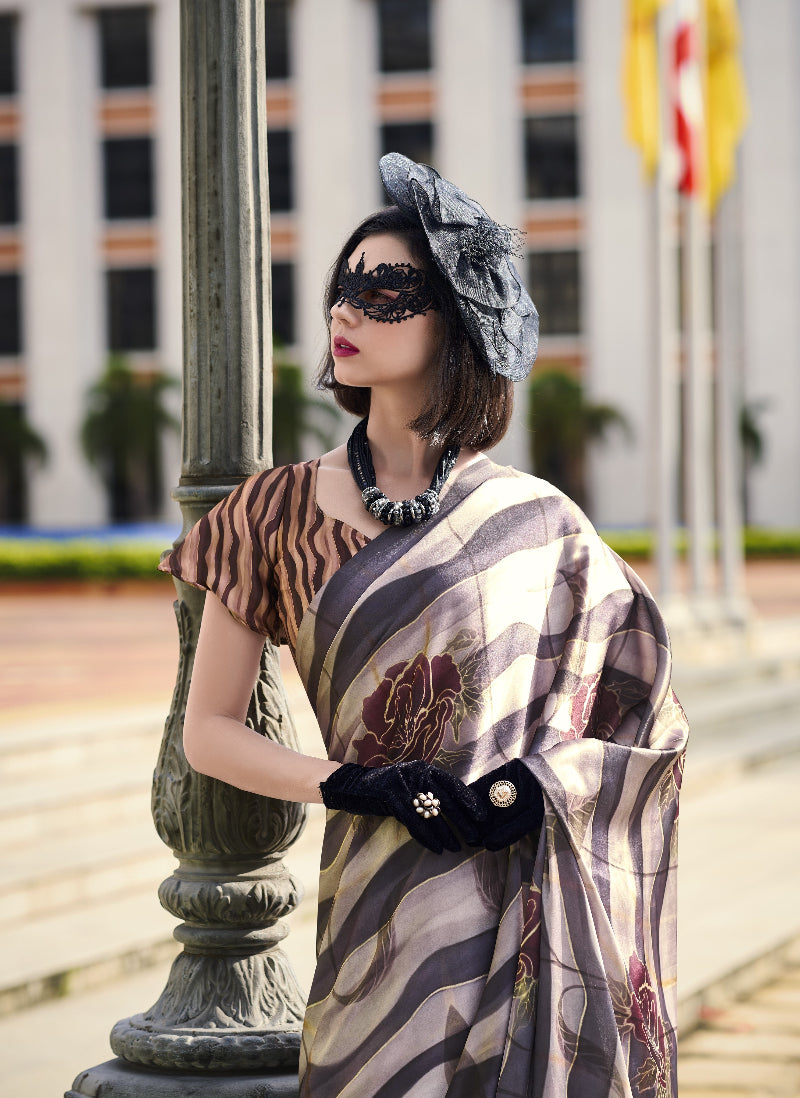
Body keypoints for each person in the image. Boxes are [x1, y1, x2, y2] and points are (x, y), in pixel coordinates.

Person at [160, 153, 688, 1097]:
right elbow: (207, 734)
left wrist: (532, 792)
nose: (346, 311)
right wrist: (358, 785)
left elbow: (645, 717)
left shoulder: (543, 524)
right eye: (342, 289)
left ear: (456, 321)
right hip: (376, 918)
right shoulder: (268, 513)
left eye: (386, 290)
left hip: (520, 915)